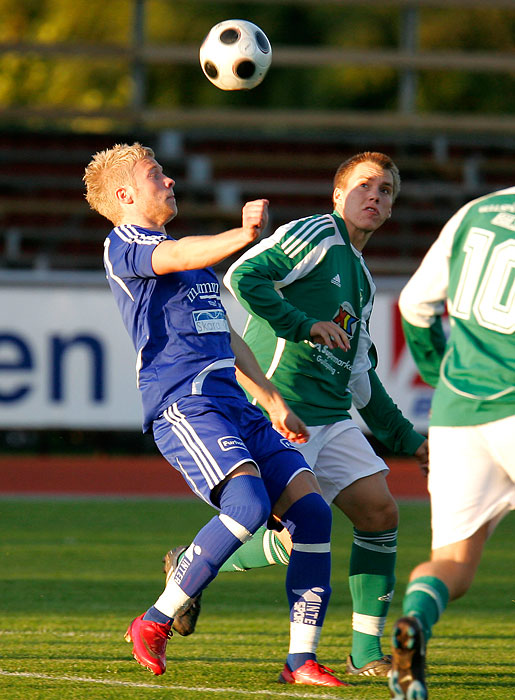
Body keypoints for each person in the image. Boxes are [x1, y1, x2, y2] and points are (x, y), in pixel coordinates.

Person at [83, 142, 351, 687]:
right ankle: (153, 621)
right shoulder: (125, 243)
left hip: (234, 402)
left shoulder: (190, 263)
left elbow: (225, 333)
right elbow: (180, 256)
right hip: (184, 403)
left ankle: (300, 659)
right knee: (248, 502)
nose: (170, 181)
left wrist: (274, 401)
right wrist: (243, 237)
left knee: (314, 514)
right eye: (155, 174)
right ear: (125, 194)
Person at [168, 151, 427, 678]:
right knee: (292, 537)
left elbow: (359, 376)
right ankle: (189, 563)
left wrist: (408, 439)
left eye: (386, 192)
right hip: (284, 411)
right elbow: (243, 275)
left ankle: (365, 653)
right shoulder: (317, 234)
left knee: (380, 514)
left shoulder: (362, 277)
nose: (374, 197)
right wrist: (302, 324)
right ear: (338, 195)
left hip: (331, 418)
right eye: (364, 186)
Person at [388, 186, 515, 699]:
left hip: (458, 412)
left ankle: (415, 623)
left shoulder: (477, 209)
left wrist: (440, 377)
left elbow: (415, 304)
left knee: (454, 565)